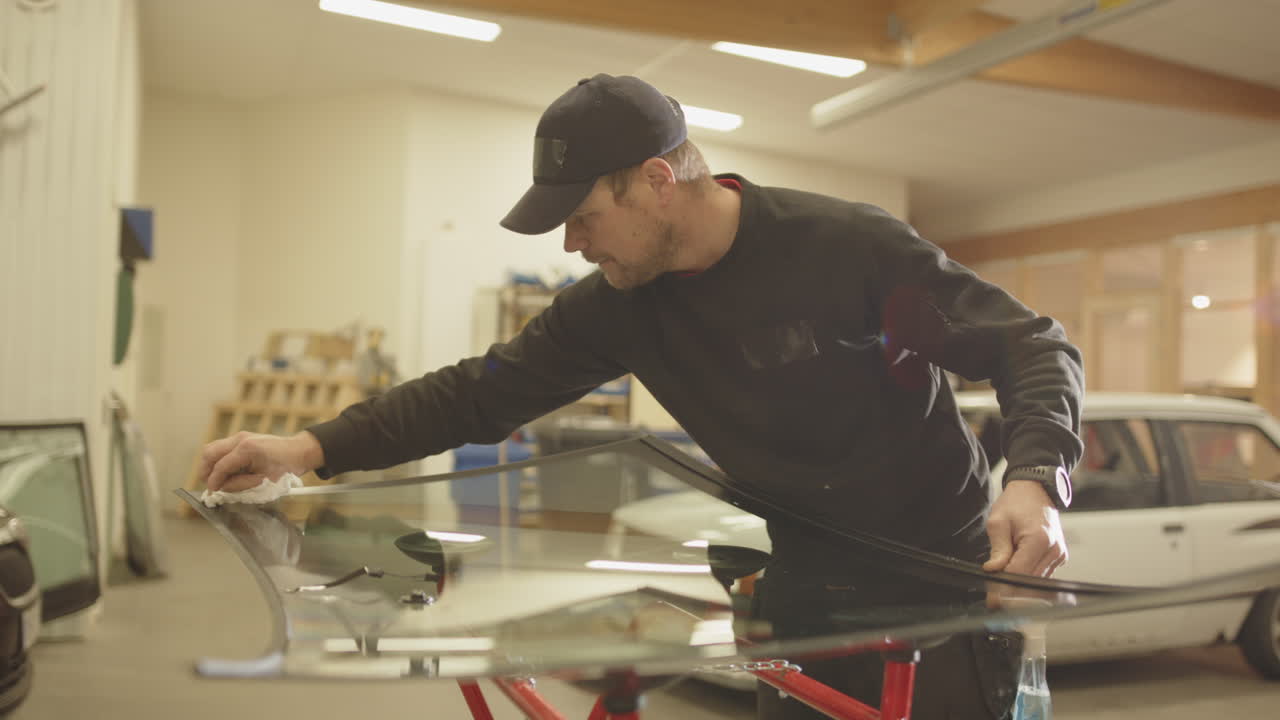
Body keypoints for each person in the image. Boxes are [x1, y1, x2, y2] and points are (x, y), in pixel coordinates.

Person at [199, 74, 1083, 719]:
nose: (575, 244)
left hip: (947, 591)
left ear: (659, 180)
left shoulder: (844, 248)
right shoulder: (619, 306)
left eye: (583, 216)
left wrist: (1036, 479)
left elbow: (1028, 344)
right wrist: (307, 448)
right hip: (807, 592)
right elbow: (479, 394)